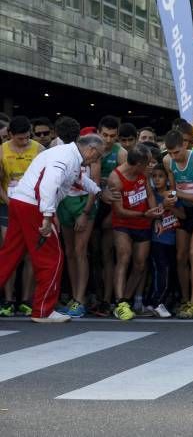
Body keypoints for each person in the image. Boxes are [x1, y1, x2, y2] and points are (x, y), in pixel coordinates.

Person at [0, 134, 105, 322]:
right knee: (52, 258)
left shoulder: (68, 155)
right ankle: (43, 311)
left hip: (21, 201)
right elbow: (49, 184)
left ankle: (43, 309)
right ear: (91, 150)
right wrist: (48, 216)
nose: (96, 161)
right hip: (35, 206)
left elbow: (76, 179)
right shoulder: (66, 157)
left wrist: (98, 191)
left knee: (9, 255)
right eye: (98, 156)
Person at [54, 119, 101, 319]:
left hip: (84, 203)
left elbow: (95, 185)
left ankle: (80, 300)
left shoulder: (92, 154)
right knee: (70, 252)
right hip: (65, 202)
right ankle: (74, 298)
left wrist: (85, 213)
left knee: (80, 251)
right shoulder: (57, 149)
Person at [107, 144, 160, 321]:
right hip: (123, 222)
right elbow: (120, 210)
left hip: (143, 222)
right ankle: (120, 302)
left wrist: (155, 215)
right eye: (147, 164)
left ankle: (126, 301)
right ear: (138, 163)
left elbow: (150, 194)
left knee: (140, 264)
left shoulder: (142, 173)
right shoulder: (116, 178)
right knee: (124, 257)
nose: (149, 167)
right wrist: (144, 214)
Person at [0, 116, 45, 315]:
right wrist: (12, 204)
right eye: (20, 139)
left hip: (33, 207)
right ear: (10, 135)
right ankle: (8, 300)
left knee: (29, 254)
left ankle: (26, 300)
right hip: (8, 206)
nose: (25, 142)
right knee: (9, 252)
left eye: (27, 138)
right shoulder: (2, 151)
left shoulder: (39, 150)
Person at [163, 129, 193, 319]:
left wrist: (176, 195)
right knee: (181, 256)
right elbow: (172, 187)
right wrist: (169, 200)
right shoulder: (167, 161)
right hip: (183, 211)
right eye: (170, 153)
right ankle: (184, 298)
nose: (174, 156)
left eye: (177, 152)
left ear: (184, 145)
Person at [93, 115, 127, 317]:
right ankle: (96, 296)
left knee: (107, 255)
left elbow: (124, 188)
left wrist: (112, 213)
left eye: (112, 136)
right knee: (93, 255)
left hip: (111, 209)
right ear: (98, 133)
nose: (108, 139)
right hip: (91, 205)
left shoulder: (121, 153)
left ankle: (107, 299)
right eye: (104, 135)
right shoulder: (90, 148)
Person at [145, 163, 184, 318]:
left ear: (167, 178)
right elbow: (148, 214)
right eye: (154, 176)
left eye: (161, 176)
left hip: (172, 240)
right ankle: (156, 303)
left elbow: (183, 215)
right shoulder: (151, 195)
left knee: (169, 272)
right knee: (160, 271)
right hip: (157, 240)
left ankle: (157, 302)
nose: (157, 179)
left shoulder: (172, 195)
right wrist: (162, 205)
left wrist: (171, 206)